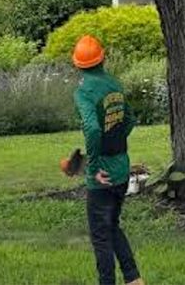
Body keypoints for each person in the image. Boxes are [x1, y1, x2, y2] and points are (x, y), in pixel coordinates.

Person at [72, 34, 146, 285]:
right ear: (102, 59)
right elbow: (130, 120)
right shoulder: (114, 85)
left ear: (78, 64)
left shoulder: (84, 92)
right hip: (121, 168)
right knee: (112, 226)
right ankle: (134, 280)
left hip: (102, 175)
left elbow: (92, 129)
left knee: (101, 236)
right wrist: (115, 141)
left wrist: (93, 167)